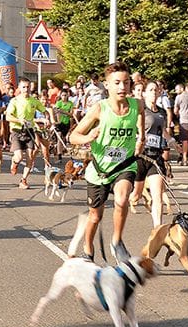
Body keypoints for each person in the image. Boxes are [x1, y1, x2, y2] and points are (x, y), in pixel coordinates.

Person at [69, 61, 145, 263]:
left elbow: (141, 117)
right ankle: (88, 248)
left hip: (125, 164)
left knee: (122, 199)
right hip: (100, 169)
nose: (122, 87)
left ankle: (117, 241)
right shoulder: (99, 109)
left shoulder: (137, 105)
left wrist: (141, 138)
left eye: (126, 83)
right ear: (107, 85)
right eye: (117, 82)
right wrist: (88, 138)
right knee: (95, 216)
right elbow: (73, 136)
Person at [130, 81, 180, 226]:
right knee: (136, 195)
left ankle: (157, 228)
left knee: (157, 196)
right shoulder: (139, 110)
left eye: (156, 90)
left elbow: (163, 131)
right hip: (140, 156)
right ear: (144, 93)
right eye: (150, 90)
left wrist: (172, 142)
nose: (153, 92)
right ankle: (129, 199)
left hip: (155, 157)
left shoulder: (161, 112)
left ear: (159, 93)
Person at [6, 77, 50, 189]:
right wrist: (19, 120)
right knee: (19, 156)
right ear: (19, 88)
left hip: (29, 130)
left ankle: (23, 180)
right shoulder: (14, 101)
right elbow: (8, 116)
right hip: (16, 130)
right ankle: (14, 163)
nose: (26, 89)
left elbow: (45, 111)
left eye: (28, 87)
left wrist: (47, 119)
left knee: (30, 157)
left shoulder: (34, 101)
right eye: (24, 87)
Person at [52, 89, 74, 162]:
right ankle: (59, 156)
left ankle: (60, 151)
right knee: (60, 138)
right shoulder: (59, 103)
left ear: (67, 95)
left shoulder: (70, 104)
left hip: (66, 122)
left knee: (63, 139)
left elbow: (71, 114)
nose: (64, 97)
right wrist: (58, 121)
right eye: (62, 95)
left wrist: (63, 112)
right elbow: (57, 112)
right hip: (60, 123)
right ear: (60, 96)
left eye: (65, 95)